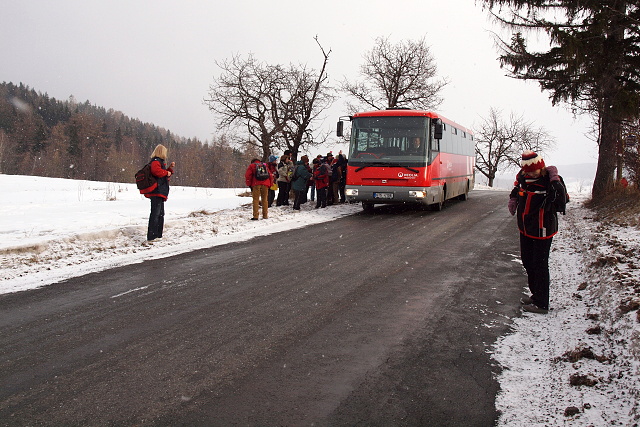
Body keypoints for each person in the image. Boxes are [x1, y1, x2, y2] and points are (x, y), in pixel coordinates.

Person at [508, 150, 566, 314]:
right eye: (528, 170)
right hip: (526, 228)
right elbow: (516, 191)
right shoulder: (523, 179)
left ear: (541, 167)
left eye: (534, 169)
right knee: (527, 261)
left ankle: (542, 303)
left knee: (540, 264)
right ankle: (535, 295)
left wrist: (554, 178)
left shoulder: (550, 180)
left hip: (543, 229)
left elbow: (561, 199)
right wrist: (513, 200)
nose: (531, 172)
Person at [145, 144, 175, 243]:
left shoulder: (158, 162)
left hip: (159, 191)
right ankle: (152, 236)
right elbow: (157, 172)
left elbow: (161, 174)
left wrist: (169, 169)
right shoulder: (156, 162)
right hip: (157, 191)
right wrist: (166, 173)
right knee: (156, 214)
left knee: (160, 214)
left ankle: (157, 235)